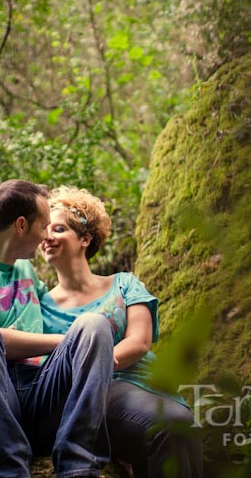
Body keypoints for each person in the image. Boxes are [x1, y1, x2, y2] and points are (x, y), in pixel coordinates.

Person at [0, 179, 116, 478]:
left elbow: (67, 307)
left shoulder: (25, 269)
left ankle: (78, 468)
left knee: (95, 324)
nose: (46, 236)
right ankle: (9, 470)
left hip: (38, 392)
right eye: (44, 226)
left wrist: (103, 332)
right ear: (21, 225)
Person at [40, 186, 202, 478]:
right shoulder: (39, 305)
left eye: (59, 228)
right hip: (85, 399)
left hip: (143, 387)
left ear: (85, 239)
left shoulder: (124, 284)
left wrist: (94, 361)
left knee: (177, 427)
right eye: (44, 231)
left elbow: (139, 342)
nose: (47, 237)